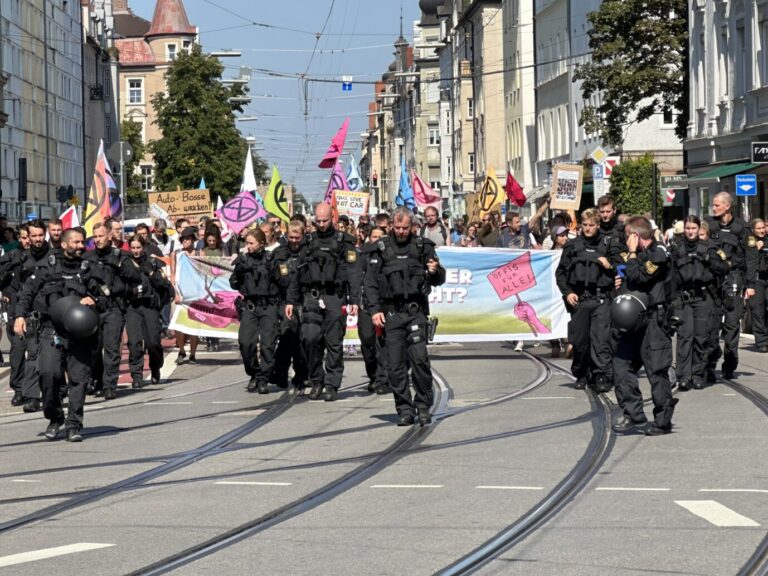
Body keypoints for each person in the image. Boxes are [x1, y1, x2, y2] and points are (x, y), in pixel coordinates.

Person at [14, 228, 108, 442]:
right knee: (48, 374)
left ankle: (74, 424)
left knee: (79, 380)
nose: (80, 246)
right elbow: (27, 292)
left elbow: (106, 297)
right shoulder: (47, 266)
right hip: (52, 329)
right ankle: (55, 417)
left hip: (81, 334)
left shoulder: (89, 268)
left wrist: (93, 301)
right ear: (64, 244)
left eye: (82, 242)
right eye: (76, 242)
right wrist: (20, 316)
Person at [364, 207, 446, 426]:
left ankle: (422, 405)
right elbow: (370, 284)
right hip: (391, 314)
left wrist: (434, 271)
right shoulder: (380, 249)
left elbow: (439, 278)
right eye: (397, 228)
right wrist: (374, 310)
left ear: (412, 227)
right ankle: (404, 408)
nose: (401, 232)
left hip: (415, 311)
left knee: (419, 360)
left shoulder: (422, 247)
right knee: (395, 366)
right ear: (391, 226)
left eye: (405, 228)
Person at [284, 202, 361, 402]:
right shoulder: (308, 241)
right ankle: (317, 380)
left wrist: (354, 298)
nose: (321, 224)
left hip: (334, 296)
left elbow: (353, 272)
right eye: (317, 221)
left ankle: (332, 384)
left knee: (334, 342)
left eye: (324, 220)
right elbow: (296, 273)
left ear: (332, 217)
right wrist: (291, 300)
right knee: (309, 339)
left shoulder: (344, 241)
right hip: (312, 296)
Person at [611, 216, 677, 436]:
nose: (625, 240)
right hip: (633, 320)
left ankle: (662, 421)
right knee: (621, 365)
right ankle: (634, 413)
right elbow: (631, 277)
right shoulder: (640, 255)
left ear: (635, 236)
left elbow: (639, 276)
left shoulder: (659, 253)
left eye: (628, 236)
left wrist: (630, 257)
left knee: (656, 371)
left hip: (654, 321)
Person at [556, 209, 616, 392]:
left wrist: (610, 264)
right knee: (580, 341)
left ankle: (601, 375)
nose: (588, 228)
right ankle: (582, 373)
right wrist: (567, 293)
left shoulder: (608, 244)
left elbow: (622, 264)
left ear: (598, 225)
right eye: (585, 225)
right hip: (580, 299)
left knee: (600, 341)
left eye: (592, 225)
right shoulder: (572, 246)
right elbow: (561, 274)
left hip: (601, 299)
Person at [670, 215, 730, 391]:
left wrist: (709, 260)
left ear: (698, 229)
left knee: (701, 338)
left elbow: (725, 267)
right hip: (683, 299)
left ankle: (697, 374)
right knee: (684, 337)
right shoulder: (676, 248)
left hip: (703, 298)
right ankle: (683, 376)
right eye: (687, 228)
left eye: (693, 228)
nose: (690, 232)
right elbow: (670, 275)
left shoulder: (710, 248)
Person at [706, 191, 759, 378]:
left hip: (734, 278)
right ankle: (710, 362)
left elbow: (752, 258)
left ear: (727, 206)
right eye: (713, 205)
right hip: (712, 278)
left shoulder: (743, 229)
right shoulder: (709, 225)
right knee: (710, 323)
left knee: (731, 322)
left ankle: (730, 360)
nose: (714, 208)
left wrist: (751, 284)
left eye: (717, 205)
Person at [84, 222, 138, 400]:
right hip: (93, 308)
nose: (98, 240)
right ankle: (98, 381)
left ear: (109, 235)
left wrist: (119, 266)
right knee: (93, 348)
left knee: (112, 348)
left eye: (101, 236)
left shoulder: (121, 256)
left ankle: (109, 385)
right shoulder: (88, 257)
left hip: (113, 307)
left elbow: (135, 278)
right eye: (95, 236)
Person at [230, 228, 281, 394]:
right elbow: (234, 283)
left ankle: (264, 378)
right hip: (250, 306)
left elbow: (282, 281)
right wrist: (240, 273)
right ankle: (254, 372)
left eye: (251, 243)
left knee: (267, 345)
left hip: (268, 306)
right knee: (246, 343)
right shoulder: (243, 260)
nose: (248, 246)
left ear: (261, 243)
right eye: (247, 243)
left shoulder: (271, 259)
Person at [12, 220, 56, 412]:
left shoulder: (55, 257)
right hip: (32, 316)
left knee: (53, 359)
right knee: (32, 356)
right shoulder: (23, 260)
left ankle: (56, 391)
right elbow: (20, 291)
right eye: (34, 236)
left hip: (53, 316)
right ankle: (31, 396)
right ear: (27, 237)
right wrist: (19, 315)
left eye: (40, 235)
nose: (38, 239)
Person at [125, 235, 169, 389]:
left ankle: (155, 366)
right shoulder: (126, 263)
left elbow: (164, 285)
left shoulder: (152, 262)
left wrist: (151, 272)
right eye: (133, 248)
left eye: (138, 247)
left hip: (150, 306)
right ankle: (136, 375)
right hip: (133, 307)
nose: (136, 251)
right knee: (134, 343)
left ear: (143, 247)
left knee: (153, 342)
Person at [271, 221, 308, 391]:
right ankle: (280, 373)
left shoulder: (308, 251)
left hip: (305, 300)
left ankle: (302, 374)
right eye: (291, 237)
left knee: (303, 340)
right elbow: (274, 276)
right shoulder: (279, 253)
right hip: (285, 300)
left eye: (297, 237)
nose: (294, 241)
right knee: (286, 337)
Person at [0, 224, 32, 409]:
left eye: (31, 236)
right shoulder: (11, 257)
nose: (28, 240)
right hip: (15, 309)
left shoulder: (45, 256)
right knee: (18, 350)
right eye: (24, 237)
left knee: (39, 352)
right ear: (19, 238)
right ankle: (19, 389)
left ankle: (39, 389)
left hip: (36, 310)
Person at [358, 225, 390, 394]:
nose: (376, 240)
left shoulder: (389, 254)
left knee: (383, 342)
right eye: (374, 236)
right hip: (366, 304)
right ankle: (373, 375)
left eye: (380, 236)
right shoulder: (362, 254)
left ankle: (383, 379)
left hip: (383, 304)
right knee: (367, 340)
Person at [174, 226, 200, 364]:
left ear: (193, 240)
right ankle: (181, 350)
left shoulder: (198, 253)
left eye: (187, 238)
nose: (185, 241)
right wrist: (175, 293)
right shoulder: (177, 254)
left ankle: (193, 354)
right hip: (181, 293)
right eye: (183, 238)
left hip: (195, 293)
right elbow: (173, 274)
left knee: (193, 325)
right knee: (178, 325)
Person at [749, 218, 768, 352]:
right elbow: (748, 262)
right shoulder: (749, 242)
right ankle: (762, 341)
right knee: (758, 310)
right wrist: (756, 249)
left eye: (763, 227)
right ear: (753, 230)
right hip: (756, 280)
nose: (762, 230)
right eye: (759, 228)